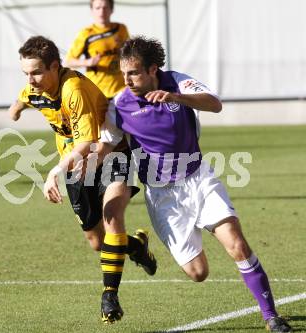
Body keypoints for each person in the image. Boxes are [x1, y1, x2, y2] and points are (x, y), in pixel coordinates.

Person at [98, 36, 292, 332]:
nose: (127, 80)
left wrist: (176, 98)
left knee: (237, 244)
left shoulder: (178, 82)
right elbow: (106, 145)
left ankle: (271, 317)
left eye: (133, 72)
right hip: (163, 196)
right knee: (198, 273)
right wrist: (75, 164)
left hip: (198, 179)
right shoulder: (119, 106)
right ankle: (145, 247)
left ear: (152, 70)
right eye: (123, 73)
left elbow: (214, 104)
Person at [8, 35, 156, 324]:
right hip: (77, 166)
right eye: (26, 73)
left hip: (110, 152)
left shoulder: (73, 88)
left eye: (37, 72)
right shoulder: (34, 87)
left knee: (112, 215)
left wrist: (54, 172)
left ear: (54, 66)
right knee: (98, 242)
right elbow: (25, 96)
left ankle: (109, 295)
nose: (31, 79)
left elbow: (88, 143)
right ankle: (136, 247)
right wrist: (15, 108)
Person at [65, 0, 128, 100]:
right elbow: (69, 61)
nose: (102, 12)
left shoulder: (121, 29)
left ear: (111, 9)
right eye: (98, 8)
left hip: (121, 90)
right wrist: (88, 62)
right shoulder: (86, 34)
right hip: (97, 91)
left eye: (105, 7)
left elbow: (129, 54)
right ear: (92, 11)